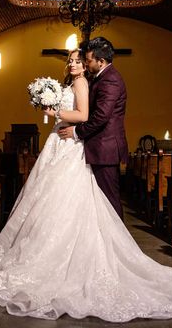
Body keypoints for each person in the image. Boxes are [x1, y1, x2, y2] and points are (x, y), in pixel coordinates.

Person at [0, 47, 172, 322]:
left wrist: (56, 113)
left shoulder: (88, 81)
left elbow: (88, 116)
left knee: (82, 202)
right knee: (52, 202)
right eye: (73, 60)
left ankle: (106, 257)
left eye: (81, 60)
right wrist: (51, 108)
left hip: (73, 144)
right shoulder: (76, 81)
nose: (77, 64)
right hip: (61, 145)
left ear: (93, 61)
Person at [58, 37, 126, 219]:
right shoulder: (99, 77)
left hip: (105, 149)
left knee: (109, 201)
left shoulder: (110, 80)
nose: (86, 64)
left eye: (88, 60)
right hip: (98, 148)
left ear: (101, 61)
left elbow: (101, 116)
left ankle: (116, 245)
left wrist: (76, 131)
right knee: (100, 202)